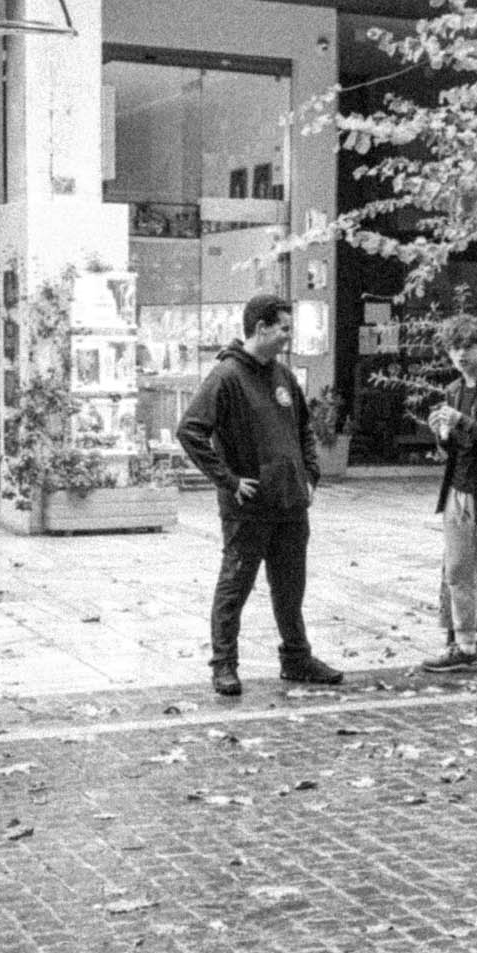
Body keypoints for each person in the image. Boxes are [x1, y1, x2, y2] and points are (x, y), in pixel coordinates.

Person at [176, 293, 345, 696]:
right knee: (236, 584)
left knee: (290, 586)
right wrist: (229, 480)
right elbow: (191, 430)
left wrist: (310, 473)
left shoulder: (283, 377)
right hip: (249, 507)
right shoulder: (226, 376)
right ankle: (224, 664)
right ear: (262, 327)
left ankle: (296, 657)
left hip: (290, 503)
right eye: (284, 327)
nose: (289, 335)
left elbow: (303, 427)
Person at [423, 313, 477, 673]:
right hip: (458, 488)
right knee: (457, 569)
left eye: (468, 347)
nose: (461, 355)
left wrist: (461, 422)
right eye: (455, 348)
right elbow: (456, 447)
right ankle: (466, 644)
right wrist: (442, 433)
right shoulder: (454, 391)